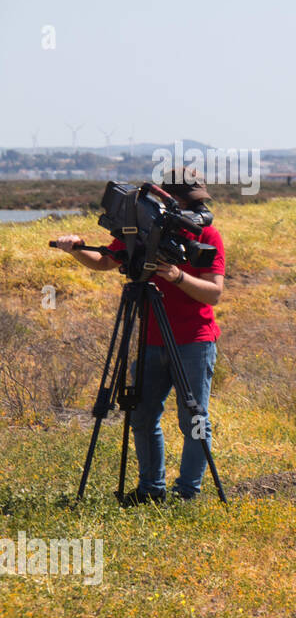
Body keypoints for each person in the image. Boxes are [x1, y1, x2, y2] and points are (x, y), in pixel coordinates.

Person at [52, 167, 226, 503]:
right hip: (150, 336)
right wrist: (75, 248)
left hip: (194, 340)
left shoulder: (209, 235)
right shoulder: (143, 229)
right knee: (141, 414)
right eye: (186, 201)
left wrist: (177, 277)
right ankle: (151, 490)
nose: (193, 209)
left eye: (197, 202)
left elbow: (214, 294)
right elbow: (106, 260)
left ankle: (187, 493)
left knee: (194, 419)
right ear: (165, 199)